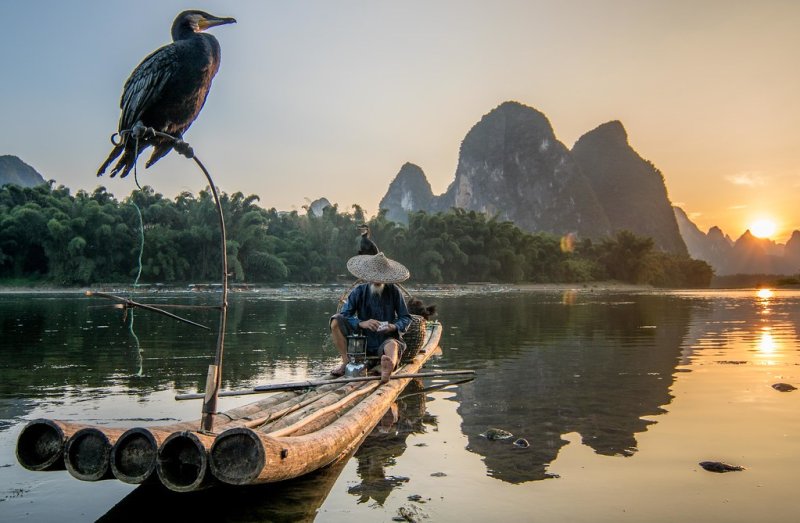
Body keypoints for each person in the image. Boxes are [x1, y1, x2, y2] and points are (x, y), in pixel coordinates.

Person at [330, 253, 412, 383]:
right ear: (368, 276)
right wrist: (361, 323)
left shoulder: (394, 291)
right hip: (362, 342)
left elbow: (405, 318)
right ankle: (346, 362)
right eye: (374, 277)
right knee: (335, 320)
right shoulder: (359, 291)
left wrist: (393, 326)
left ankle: (387, 367)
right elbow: (345, 315)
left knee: (392, 345)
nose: (377, 280)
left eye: (381, 278)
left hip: (386, 339)